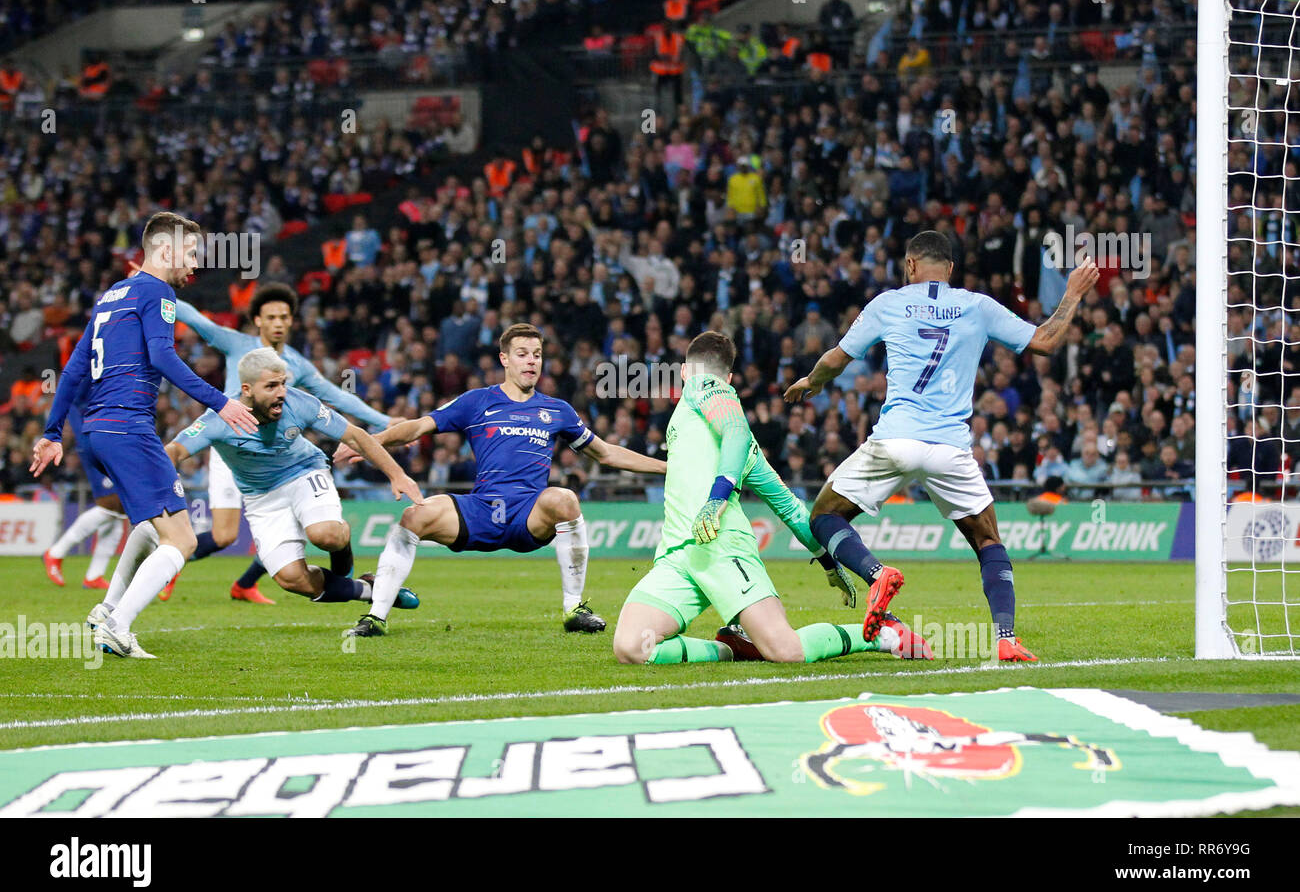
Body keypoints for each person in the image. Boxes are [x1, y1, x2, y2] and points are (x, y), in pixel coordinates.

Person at [786, 230, 1098, 662]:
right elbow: (1045, 341)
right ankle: (1006, 638)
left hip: (895, 439)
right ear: (950, 269)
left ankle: (877, 574)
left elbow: (836, 359)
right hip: (951, 448)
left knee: (823, 516)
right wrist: (1073, 293)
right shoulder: (977, 306)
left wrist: (810, 381)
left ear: (911, 265)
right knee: (988, 540)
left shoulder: (888, 303)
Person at [612, 331, 930, 664]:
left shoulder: (702, 384)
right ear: (732, 374)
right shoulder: (739, 445)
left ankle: (882, 633)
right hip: (678, 553)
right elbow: (792, 510)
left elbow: (735, 431)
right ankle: (734, 647)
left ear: (684, 371)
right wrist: (827, 561)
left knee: (786, 652)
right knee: (632, 647)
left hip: (721, 546)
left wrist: (717, 498)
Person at [334, 323, 669, 636]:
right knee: (413, 516)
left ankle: (574, 610)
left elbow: (607, 453)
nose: (532, 361)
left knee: (565, 499)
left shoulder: (557, 410)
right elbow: (418, 426)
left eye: (537, 354)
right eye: (522, 353)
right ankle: (376, 617)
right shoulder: (477, 401)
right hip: (481, 509)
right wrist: (371, 444)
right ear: (504, 359)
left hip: (528, 513)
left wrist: (667, 467)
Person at [31, 211, 259, 659]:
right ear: (165, 250)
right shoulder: (159, 292)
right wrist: (222, 402)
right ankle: (118, 626)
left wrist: (53, 432)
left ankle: (107, 610)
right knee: (184, 540)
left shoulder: (113, 294)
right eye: (190, 253)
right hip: (127, 426)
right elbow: (162, 357)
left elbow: (76, 367)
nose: (194, 264)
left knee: (149, 525)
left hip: (96, 431)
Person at [162, 282, 392, 604]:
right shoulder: (236, 343)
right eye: (271, 317)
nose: (278, 324)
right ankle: (173, 568)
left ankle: (243, 582)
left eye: (284, 317)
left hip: (279, 456)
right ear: (257, 320)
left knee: (307, 527)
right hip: (229, 448)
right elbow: (196, 320)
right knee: (224, 535)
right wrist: (157, 288)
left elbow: (337, 396)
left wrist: (386, 423)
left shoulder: (297, 365)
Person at [166, 348, 424, 608]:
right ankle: (374, 590)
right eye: (271, 386)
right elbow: (175, 450)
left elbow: (355, 436)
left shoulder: (299, 403)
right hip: (261, 498)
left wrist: (397, 474)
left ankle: (341, 542)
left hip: (304, 472)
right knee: (291, 579)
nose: (281, 393)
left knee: (326, 535)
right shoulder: (217, 419)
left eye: (283, 384)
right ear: (247, 389)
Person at [41, 383, 128, 591]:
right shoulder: (86, 369)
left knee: (119, 511)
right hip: (93, 440)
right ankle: (55, 553)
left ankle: (94, 575)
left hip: (107, 438)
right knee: (112, 503)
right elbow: (71, 396)